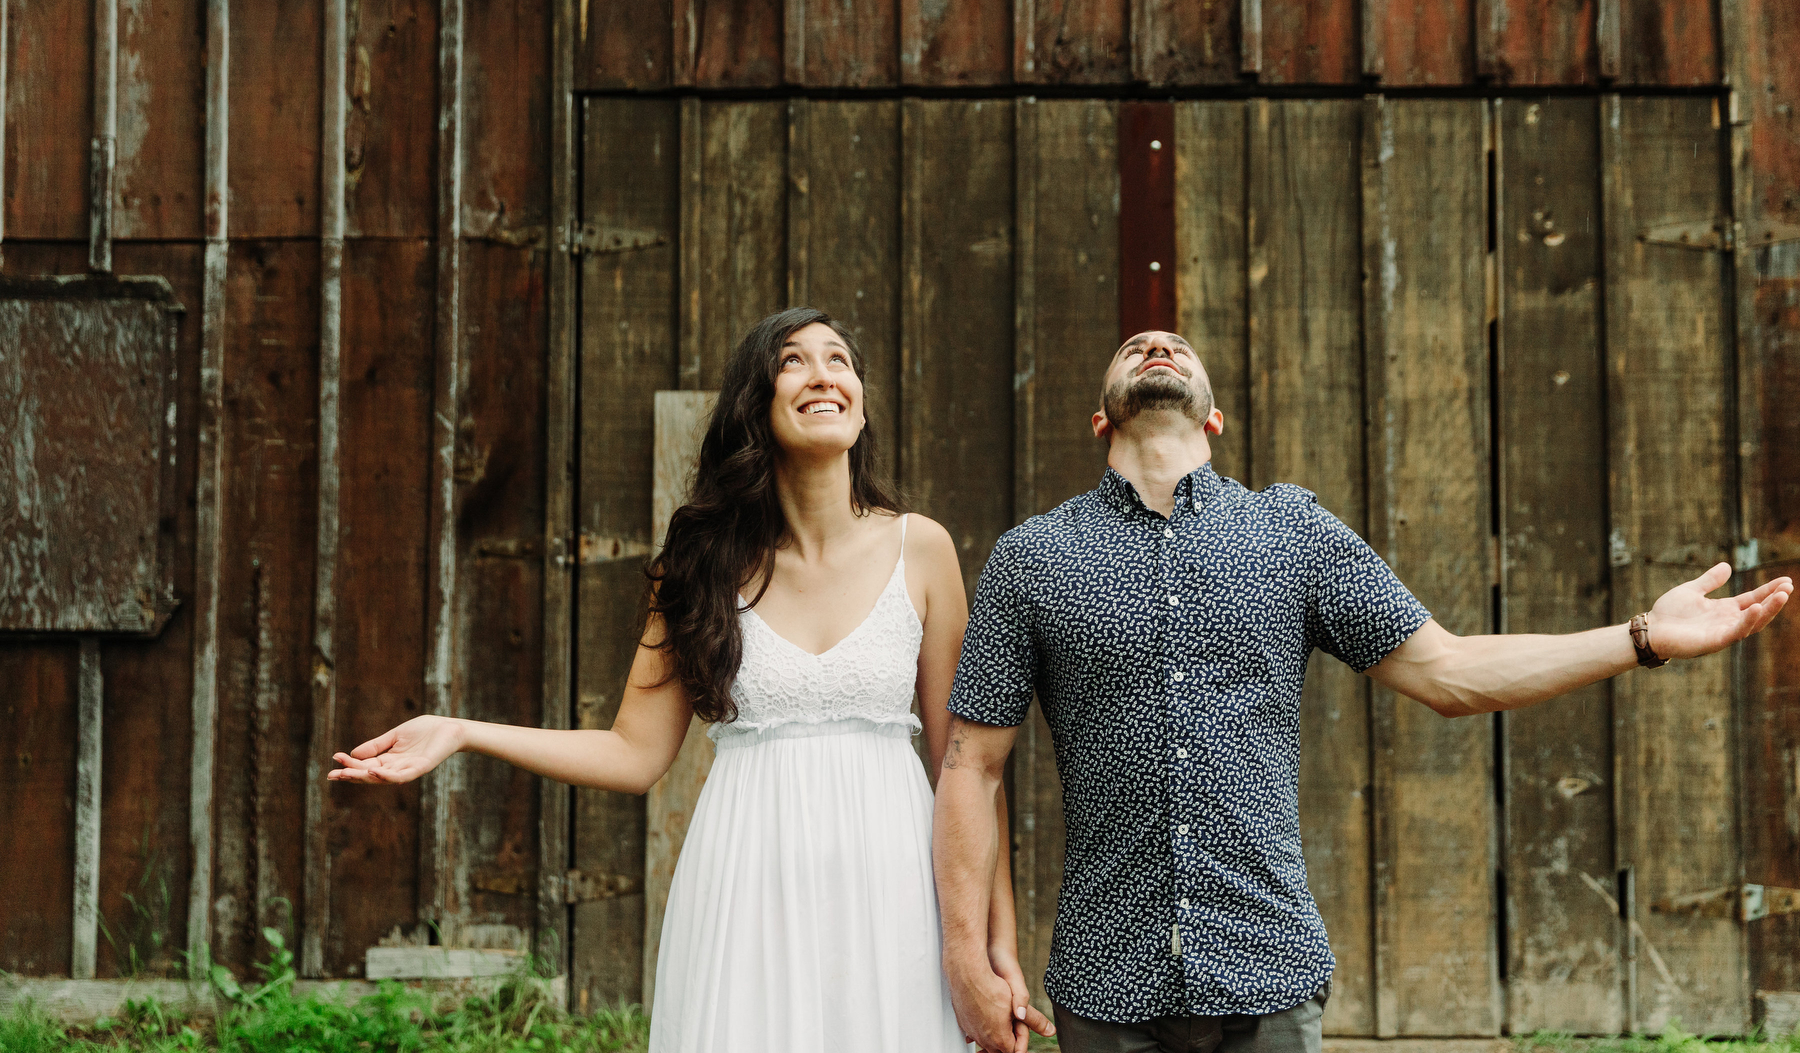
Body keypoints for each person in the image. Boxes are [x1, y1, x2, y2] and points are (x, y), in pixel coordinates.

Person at [932, 329, 1793, 1053]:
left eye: (1176, 345)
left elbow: (1449, 672)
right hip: (1103, 979)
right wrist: (968, 962)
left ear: (1214, 416)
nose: (1157, 344)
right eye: (1135, 346)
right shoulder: (1032, 557)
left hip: (1268, 969)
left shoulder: (1290, 531)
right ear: (1100, 416)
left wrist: (1642, 637)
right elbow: (972, 767)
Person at [329, 307, 1053, 1053]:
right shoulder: (700, 564)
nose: (823, 375)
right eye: (793, 360)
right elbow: (633, 754)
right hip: (747, 882)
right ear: (755, 404)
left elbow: (967, 769)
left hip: (894, 887)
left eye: (840, 360)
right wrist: (460, 731)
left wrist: (995, 946)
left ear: (861, 404)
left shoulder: (921, 549)